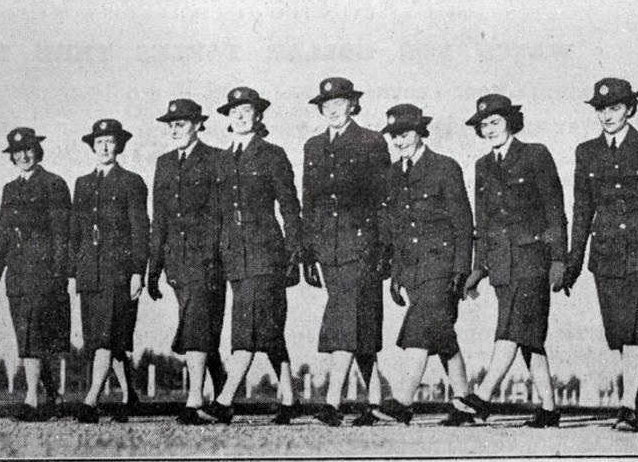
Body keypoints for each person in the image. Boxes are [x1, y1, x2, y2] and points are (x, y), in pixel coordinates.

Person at [563, 78, 638, 432]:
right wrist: (573, 261)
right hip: (607, 255)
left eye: (614, 108)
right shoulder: (585, 152)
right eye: (601, 109)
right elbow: (582, 209)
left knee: (637, 330)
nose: (607, 115)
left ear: (630, 109)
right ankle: (632, 400)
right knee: (618, 334)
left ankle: (630, 406)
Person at [463, 94, 568, 428]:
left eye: (495, 122)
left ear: (510, 121)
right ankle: (549, 408)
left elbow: (555, 210)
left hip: (533, 258)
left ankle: (481, 398)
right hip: (502, 263)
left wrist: (559, 258)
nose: (489, 130)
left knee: (511, 328)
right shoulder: (482, 166)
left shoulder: (535, 155)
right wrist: (479, 267)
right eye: (484, 125)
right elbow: (483, 220)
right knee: (527, 336)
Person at [204, 87, 303, 425]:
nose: (241, 117)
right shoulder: (220, 159)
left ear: (258, 116)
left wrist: (295, 252)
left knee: (248, 328)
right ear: (228, 119)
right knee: (269, 328)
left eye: (247, 111)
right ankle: (289, 399)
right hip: (234, 255)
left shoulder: (272, 155)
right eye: (235, 112)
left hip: (266, 253)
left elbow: (289, 207)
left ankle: (224, 400)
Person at [372, 104, 476, 426]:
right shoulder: (391, 174)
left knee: (419, 329)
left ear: (420, 132)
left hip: (442, 266)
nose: (398, 141)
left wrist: (461, 271)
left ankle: (402, 402)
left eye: (404, 134)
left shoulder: (445, 167)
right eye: (393, 136)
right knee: (443, 337)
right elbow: (397, 229)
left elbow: (463, 223)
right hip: (414, 270)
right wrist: (395, 274)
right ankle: (464, 404)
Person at [302, 77, 391, 426]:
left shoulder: (371, 141)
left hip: (362, 246)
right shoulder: (313, 147)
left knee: (345, 320)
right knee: (359, 322)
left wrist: (385, 247)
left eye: (340, 102)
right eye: (326, 104)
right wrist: (307, 251)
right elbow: (309, 200)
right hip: (329, 248)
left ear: (353, 104)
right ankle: (375, 402)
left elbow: (386, 199)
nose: (333, 109)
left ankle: (332, 402)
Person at [149, 99, 227, 425]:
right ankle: (222, 386)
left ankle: (194, 401)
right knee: (198, 325)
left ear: (197, 124)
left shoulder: (216, 159)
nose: (175, 129)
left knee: (196, 325)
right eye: (171, 124)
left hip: (207, 259)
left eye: (181, 123)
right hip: (175, 263)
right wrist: (153, 269)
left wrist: (213, 254)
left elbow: (221, 213)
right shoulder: (164, 163)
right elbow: (160, 219)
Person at [0, 127, 71, 421]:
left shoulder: (53, 184)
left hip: (43, 272)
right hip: (17, 275)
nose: (23, 156)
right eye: (17, 152)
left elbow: (62, 234)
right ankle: (52, 397)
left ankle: (32, 399)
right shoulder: (10, 189)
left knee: (34, 334)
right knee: (27, 336)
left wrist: (60, 274)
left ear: (38, 150)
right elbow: (2, 234)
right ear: (11, 156)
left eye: (28, 149)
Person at [71, 119, 149, 423]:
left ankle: (90, 401)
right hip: (89, 271)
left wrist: (136, 271)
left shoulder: (131, 181)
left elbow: (141, 229)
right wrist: (74, 268)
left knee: (106, 337)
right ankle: (130, 396)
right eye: (99, 141)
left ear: (119, 146)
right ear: (92, 146)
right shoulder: (83, 183)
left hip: (118, 271)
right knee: (104, 338)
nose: (104, 147)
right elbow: (76, 229)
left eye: (110, 141)